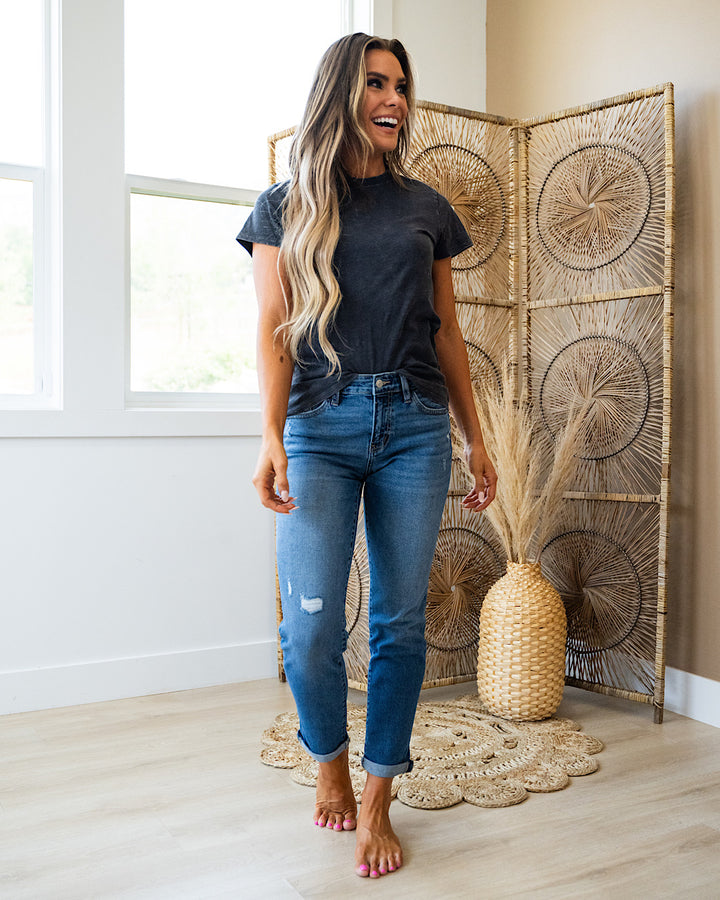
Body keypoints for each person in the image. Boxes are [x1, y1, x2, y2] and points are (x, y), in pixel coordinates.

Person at [237, 32, 496, 880]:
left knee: (398, 623)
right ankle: (329, 762)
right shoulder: (284, 207)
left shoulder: (427, 208)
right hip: (319, 427)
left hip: (414, 428)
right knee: (310, 627)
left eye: (401, 86)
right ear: (342, 93)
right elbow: (274, 332)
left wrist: (475, 435)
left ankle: (379, 794)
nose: (394, 100)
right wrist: (271, 437)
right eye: (377, 84)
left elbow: (447, 331)